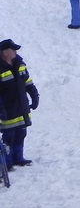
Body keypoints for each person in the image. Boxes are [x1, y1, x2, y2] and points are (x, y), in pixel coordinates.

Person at [0, 38, 40, 169]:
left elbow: (27, 82)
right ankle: (6, 162)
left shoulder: (19, 64)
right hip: (7, 110)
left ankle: (18, 157)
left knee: (21, 134)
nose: (16, 52)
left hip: (21, 107)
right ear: (5, 52)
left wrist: (34, 95)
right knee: (9, 137)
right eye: (13, 50)